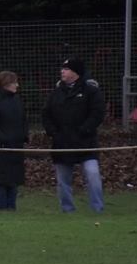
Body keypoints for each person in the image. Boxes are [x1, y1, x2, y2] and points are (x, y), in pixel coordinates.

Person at [42, 57, 105, 213]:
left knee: (93, 175)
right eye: (62, 68)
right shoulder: (56, 93)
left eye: (67, 69)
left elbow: (97, 113)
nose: (62, 71)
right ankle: (67, 209)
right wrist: (54, 133)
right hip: (62, 143)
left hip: (86, 143)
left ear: (76, 72)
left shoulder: (91, 91)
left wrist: (84, 130)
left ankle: (97, 208)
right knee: (63, 181)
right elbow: (46, 114)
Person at [0, 71, 28, 210]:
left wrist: (24, 136)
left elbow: (23, 120)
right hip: (1, 147)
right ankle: (2, 208)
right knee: (1, 181)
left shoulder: (16, 100)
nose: (17, 85)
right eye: (14, 82)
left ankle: (12, 208)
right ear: (6, 84)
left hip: (16, 146)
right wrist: (3, 139)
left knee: (13, 180)